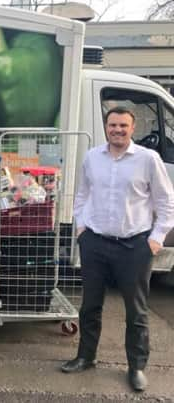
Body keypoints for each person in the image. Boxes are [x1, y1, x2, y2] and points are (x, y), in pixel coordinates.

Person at [61, 106, 174, 392]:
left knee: (136, 311)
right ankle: (85, 356)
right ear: (106, 127)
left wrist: (156, 238)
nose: (118, 130)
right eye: (113, 125)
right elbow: (82, 194)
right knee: (90, 306)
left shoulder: (149, 159)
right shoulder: (92, 158)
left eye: (123, 125)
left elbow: (165, 202)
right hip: (95, 242)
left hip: (134, 245)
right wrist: (81, 228)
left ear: (132, 128)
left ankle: (136, 366)